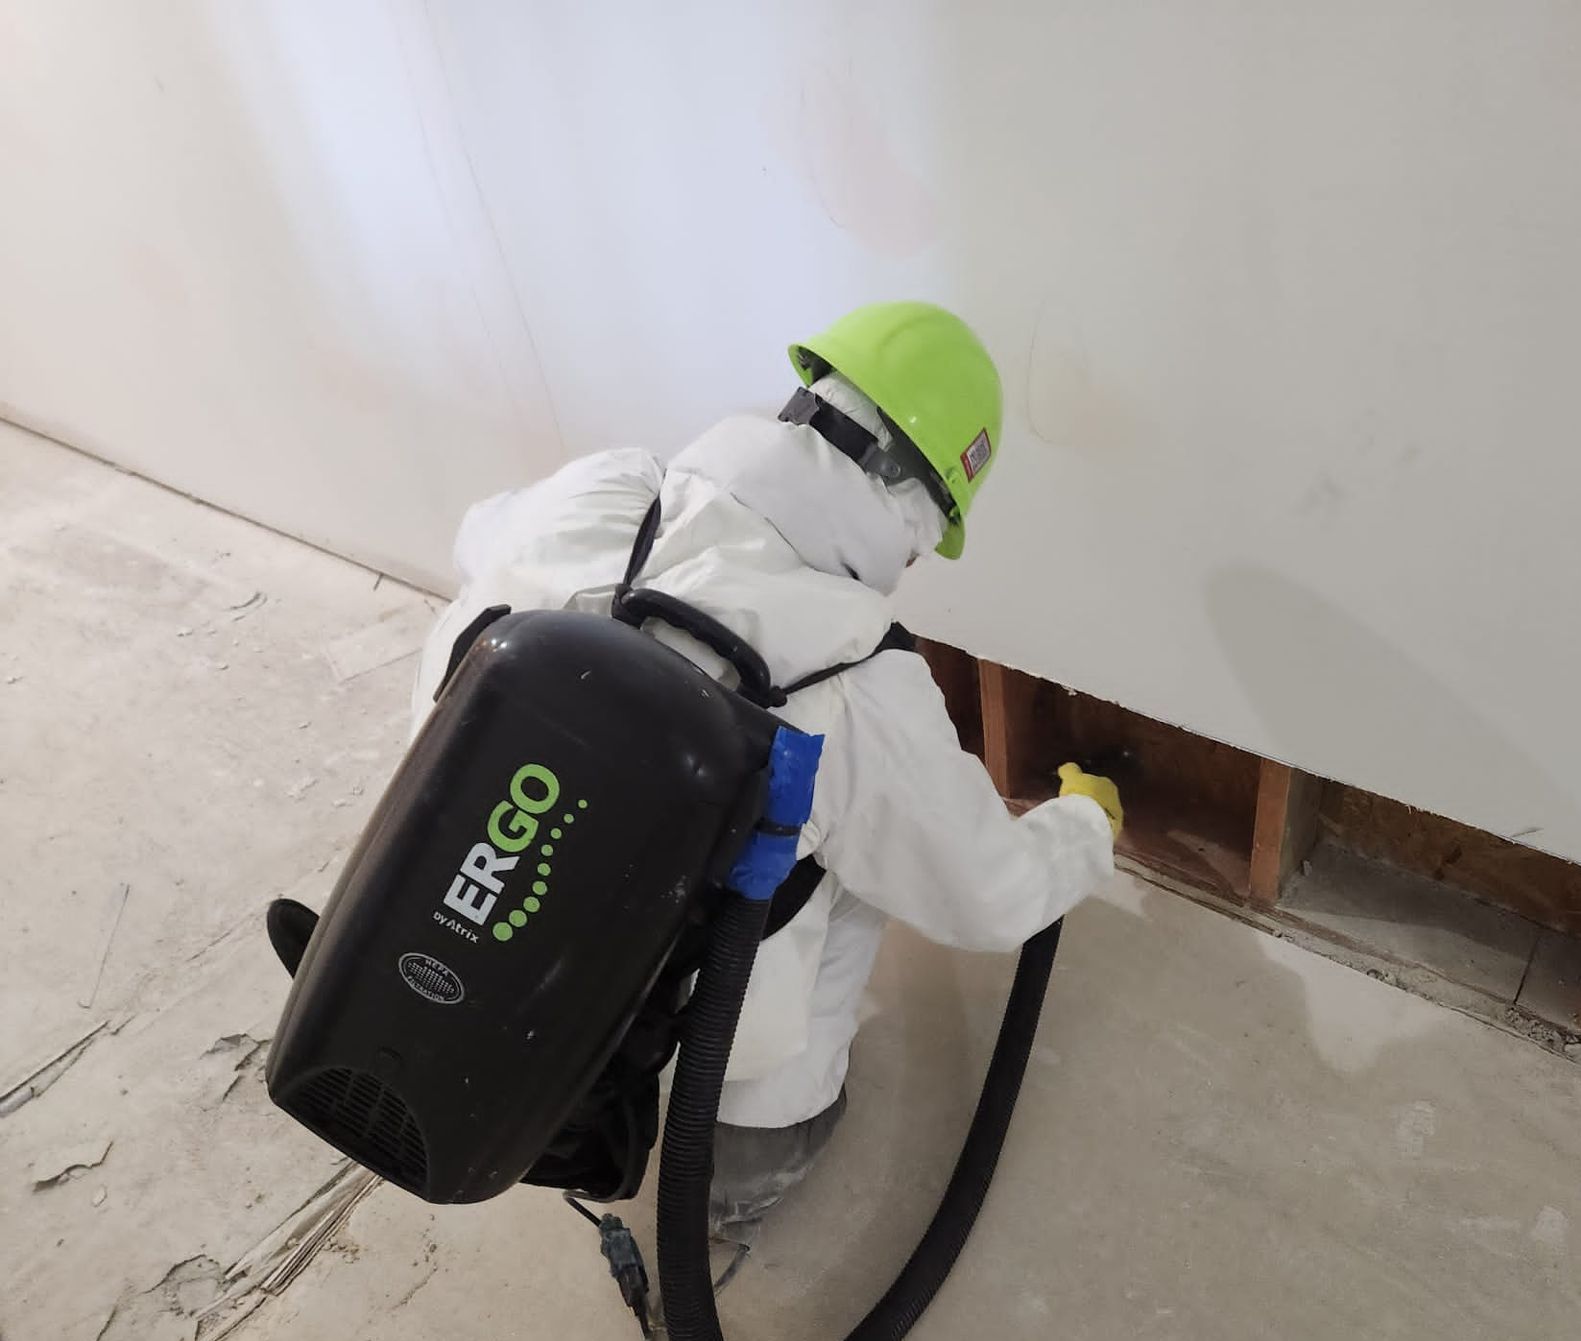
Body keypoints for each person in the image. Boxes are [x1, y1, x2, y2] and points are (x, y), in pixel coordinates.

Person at [409, 301, 1122, 1234]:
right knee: (864, 860)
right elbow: (986, 895)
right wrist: (1085, 824)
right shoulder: (856, 674)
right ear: (916, 509)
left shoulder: (602, 490)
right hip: (671, 1018)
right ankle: (744, 1151)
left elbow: (478, 537)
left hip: (451, 913)